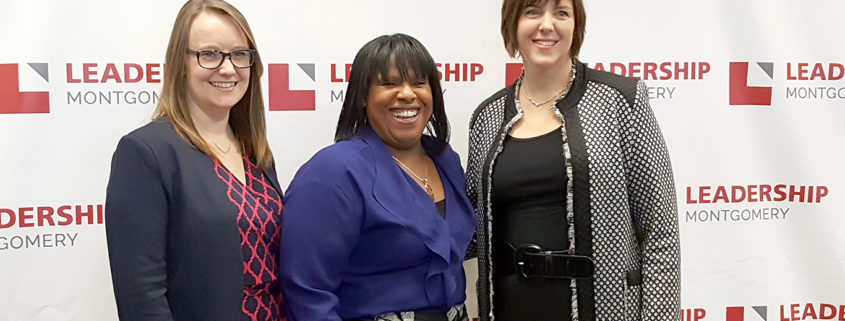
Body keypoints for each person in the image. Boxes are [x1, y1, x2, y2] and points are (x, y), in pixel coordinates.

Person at [465, 0, 681, 320]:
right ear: (512, 24)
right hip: (511, 309)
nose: (547, 24)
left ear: (575, 25)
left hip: (606, 310)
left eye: (561, 12)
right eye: (533, 11)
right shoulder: (487, 117)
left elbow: (660, 232)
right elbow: (468, 227)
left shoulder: (621, 99)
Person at [105, 1, 285, 320]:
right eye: (210, 54)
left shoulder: (254, 149)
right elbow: (142, 298)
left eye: (239, 54)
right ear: (180, 62)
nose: (228, 68)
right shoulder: (146, 152)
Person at [279, 33, 475, 321]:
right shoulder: (333, 171)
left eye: (419, 82)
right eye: (390, 83)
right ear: (362, 96)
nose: (407, 93)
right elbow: (307, 292)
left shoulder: (445, 159)